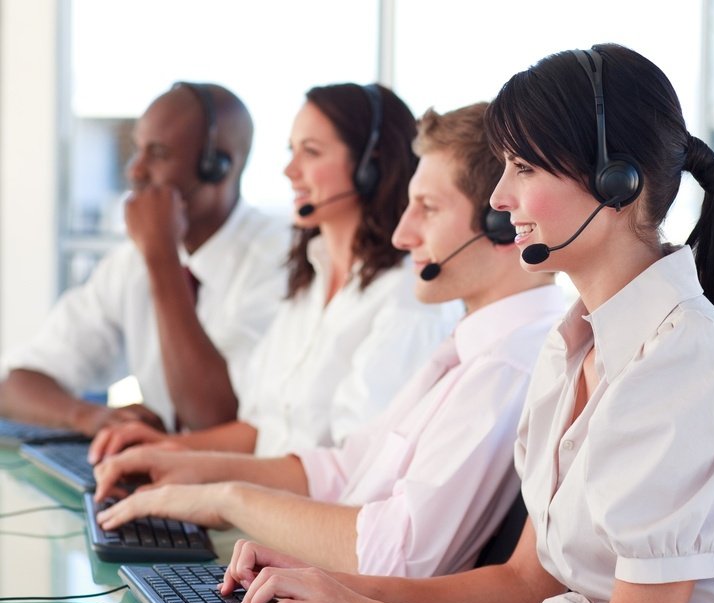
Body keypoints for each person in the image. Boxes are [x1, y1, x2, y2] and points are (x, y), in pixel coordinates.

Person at [215, 44, 714, 603]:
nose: (499, 197)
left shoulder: (685, 359)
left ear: (616, 181)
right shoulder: (571, 347)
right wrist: (321, 585)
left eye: (524, 168)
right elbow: (524, 583)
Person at [92, 102, 565, 577]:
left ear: (503, 222)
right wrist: (195, 470)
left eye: (427, 208)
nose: (405, 235)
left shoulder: (508, 364)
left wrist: (227, 499)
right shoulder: (468, 347)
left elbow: (395, 557)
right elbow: (345, 468)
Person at [87, 82, 461, 458]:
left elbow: (350, 473)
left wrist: (213, 487)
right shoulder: (308, 282)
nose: (289, 170)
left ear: (370, 166)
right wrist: (163, 449)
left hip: (294, 512)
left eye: (311, 152)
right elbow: (261, 432)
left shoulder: (405, 299)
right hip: (257, 503)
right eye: (291, 151)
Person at [0, 82, 290, 436]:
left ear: (218, 165)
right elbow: (16, 384)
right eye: (138, 150)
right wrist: (90, 416)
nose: (135, 171)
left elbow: (214, 417)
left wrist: (162, 257)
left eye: (159, 153)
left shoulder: (279, 261)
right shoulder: (130, 262)